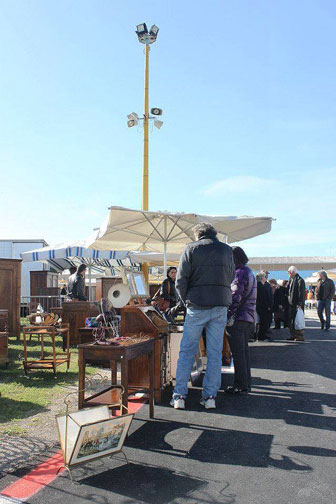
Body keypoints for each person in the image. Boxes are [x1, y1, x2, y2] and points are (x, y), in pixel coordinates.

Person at [171, 222, 235, 410]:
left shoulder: (191, 249)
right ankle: (210, 397)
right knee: (215, 353)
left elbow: (180, 280)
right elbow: (230, 276)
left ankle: (179, 396)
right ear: (214, 234)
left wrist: (185, 301)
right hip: (220, 305)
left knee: (187, 351)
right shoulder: (226, 250)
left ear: (198, 234)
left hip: (197, 305)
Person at [225, 246, 256, 395]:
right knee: (243, 353)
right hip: (247, 317)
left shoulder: (239, 273)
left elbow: (235, 297)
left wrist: (228, 316)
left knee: (238, 354)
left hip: (238, 318)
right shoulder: (248, 271)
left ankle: (240, 385)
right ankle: (245, 384)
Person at [286, 266, 305, 341]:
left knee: (298, 320)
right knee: (291, 320)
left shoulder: (300, 280)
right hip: (291, 304)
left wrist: (299, 303)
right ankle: (293, 335)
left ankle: (300, 336)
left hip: (296, 304)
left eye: (289, 272)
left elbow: (301, 293)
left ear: (293, 272)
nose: (288, 274)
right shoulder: (291, 279)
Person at [256, 272, 270, 341]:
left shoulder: (260, 285)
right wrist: (266, 305)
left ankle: (262, 335)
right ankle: (261, 336)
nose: (266, 278)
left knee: (262, 322)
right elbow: (262, 298)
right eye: (265, 277)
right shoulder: (260, 286)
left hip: (261, 306)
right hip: (261, 307)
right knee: (262, 322)